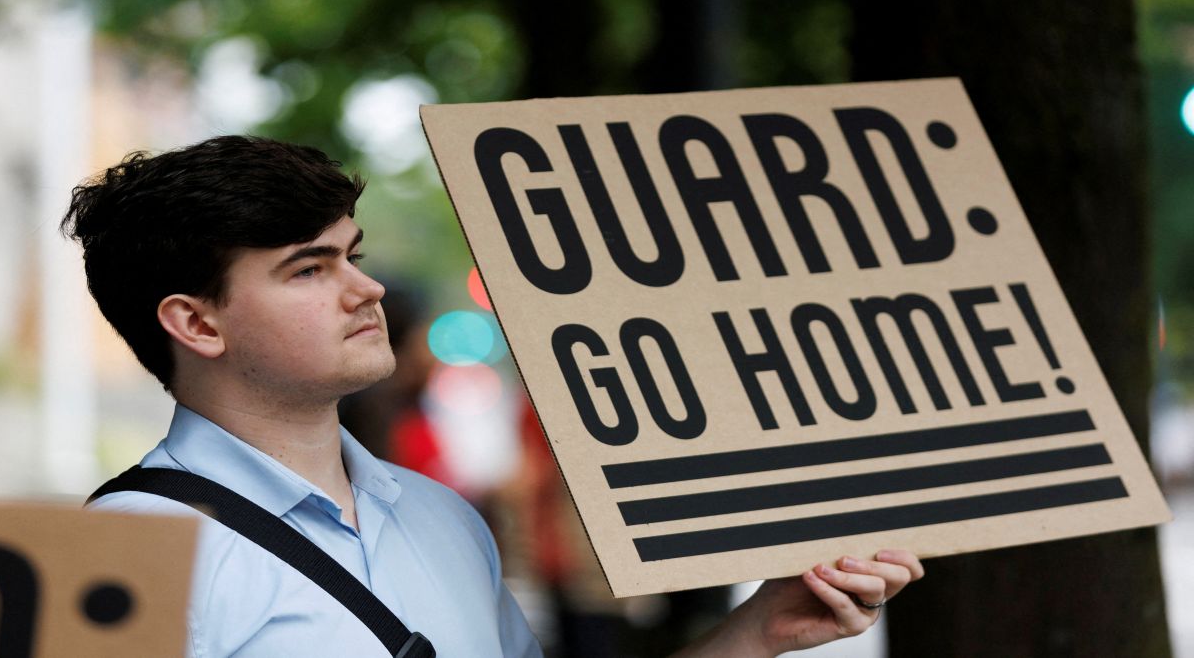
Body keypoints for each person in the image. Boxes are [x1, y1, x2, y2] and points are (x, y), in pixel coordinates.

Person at [72, 136, 924, 657]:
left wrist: (764, 627)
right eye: (310, 268)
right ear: (196, 322)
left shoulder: (441, 518)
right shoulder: (123, 553)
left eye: (353, 254)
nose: (366, 290)